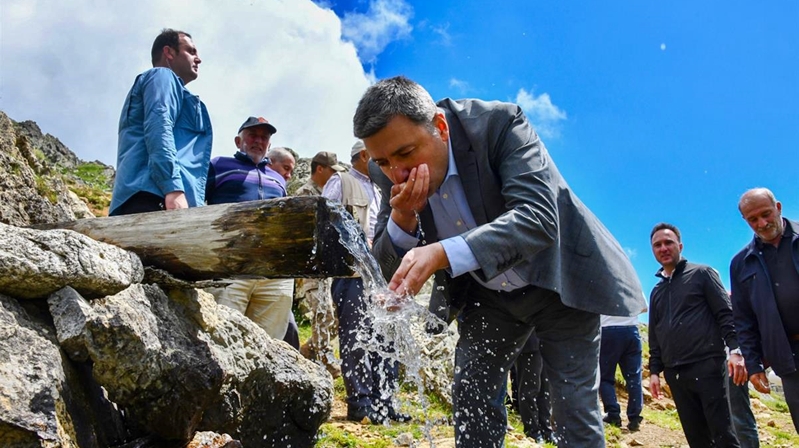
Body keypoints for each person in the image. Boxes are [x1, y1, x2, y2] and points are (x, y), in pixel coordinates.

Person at [355, 76, 645, 446]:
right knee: (472, 400)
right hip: (486, 298)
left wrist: (442, 253)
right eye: (383, 161)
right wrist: (404, 218)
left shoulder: (499, 124)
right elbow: (380, 267)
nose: (398, 172)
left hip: (556, 284)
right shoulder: (387, 170)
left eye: (407, 154)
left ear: (440, 127)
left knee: (573, 407)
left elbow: (538, 219)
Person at [322, 141, 407, 424]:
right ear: (363, 156)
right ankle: (361, 403)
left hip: (385, 275)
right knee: (357, 338)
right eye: (379, 158)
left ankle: (386, 403)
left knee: (387, 339)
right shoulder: (341, 180)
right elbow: (323, 221)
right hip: (354, 274)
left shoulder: (383, 188)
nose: (387, 163)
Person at [648, 222, 746, 447]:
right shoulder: (656, 292)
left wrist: (735, 350)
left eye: (668, 242)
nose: (663, 248)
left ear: (680, 245)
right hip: (675, 374)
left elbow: (726, 315)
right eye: (657, 245)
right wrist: (655, 371)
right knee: (696, 438)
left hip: (707, 366)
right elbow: (655, 334)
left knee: (723, 435)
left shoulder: (702, 274)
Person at [205, 117, 295, 344]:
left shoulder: (278, 178)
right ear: (238, 141)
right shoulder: (217, 165)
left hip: (273, 271)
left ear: (269, 146)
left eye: (264, 137)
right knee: (221, 336)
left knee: (269, 342)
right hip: (230, 266)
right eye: (252, 135)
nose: (258, 141)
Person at [111, 28, 212, 216]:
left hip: (154, 195)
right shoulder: (162, 76)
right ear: (169, 52)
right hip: (156, 196)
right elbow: (159, 127)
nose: (198, 59)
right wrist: (173, 188)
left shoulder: (173, 89)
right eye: (191, 51)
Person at [731, 187, 799, 432]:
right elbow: (743, 319)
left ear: (778, 207)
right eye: (753, 219)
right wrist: (754, 363)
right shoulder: (740, 264)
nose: (762, 223)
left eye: (766, 214)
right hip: (789, 359)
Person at [295, 151, 345, 378]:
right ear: (320, 169)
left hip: (326, 268)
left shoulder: (327, 193)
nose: (335, 175)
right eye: (332, 171)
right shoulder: (304, 194)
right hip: (311, 267)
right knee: (322, 313)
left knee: (333, 315)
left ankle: (307, 350)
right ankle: (325, 360)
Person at [599, 312, 644, 432]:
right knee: (634, 377)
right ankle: (635, 418)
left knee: (605, 377)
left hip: (607, 329)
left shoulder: (602, 291)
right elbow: (644, 308)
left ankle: (613, 415)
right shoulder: (634, 291)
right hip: (631, 329)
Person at [512, 332, 554, 444]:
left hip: (544, 342)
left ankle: (546, 430)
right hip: (528, 343)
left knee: (545, 391)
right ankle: (533, 432)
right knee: (529, 390)